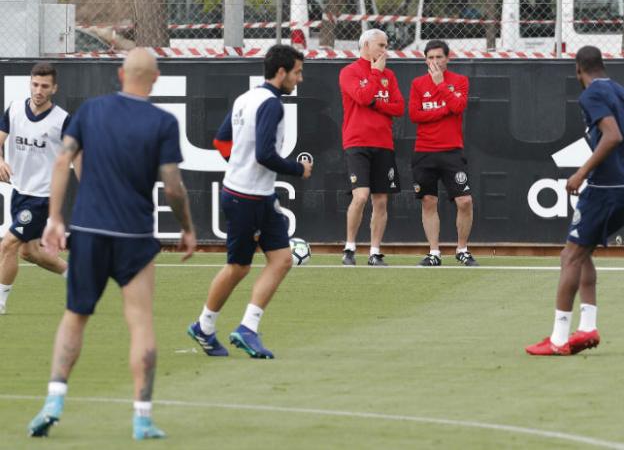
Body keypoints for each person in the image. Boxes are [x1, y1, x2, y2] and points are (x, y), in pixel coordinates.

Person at [28, 48, 196, 438]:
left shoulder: (90, 111)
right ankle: (142, 416)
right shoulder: (162, 121)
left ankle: (54, 398)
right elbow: (173, 185)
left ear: (121, 75)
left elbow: (61, 162)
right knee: (139, 322)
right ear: (154, 79)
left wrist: (55, 218)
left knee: (76, 314)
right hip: (135, 236)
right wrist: (187, 227)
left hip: (87, 230)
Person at [526, 46, 624, 356]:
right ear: (602, 66)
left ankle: (558, 339)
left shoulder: (590, 95)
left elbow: (612, 136)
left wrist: (581, 174)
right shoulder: (622, 93)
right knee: (582, 253)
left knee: (569, 256)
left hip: (604, 187)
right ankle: (587, 327)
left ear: (578, 70)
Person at [187, 45, 312, 359]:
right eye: (297, 72)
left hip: (256, 196)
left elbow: (220, 140)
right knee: (237, 268)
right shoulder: (271, 104)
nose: (300, 78)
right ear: (281, 72)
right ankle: (204, 326)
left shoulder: (246, 98)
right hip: (247, 198)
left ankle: (247, 328)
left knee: (281, 260)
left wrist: (237, 163)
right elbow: (265, 155)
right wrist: (299, 169)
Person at [0, 62, 70, 315]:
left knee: (7, 244)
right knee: (28, 252)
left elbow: (74, 157)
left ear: (54, 88)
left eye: (45, 86)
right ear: (30, 83)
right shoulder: (15, 110)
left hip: (43, 197)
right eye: (35, 84)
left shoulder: (61, 120)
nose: (39, 90)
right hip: (20, 192)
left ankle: (0, 302)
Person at [408, 40, 478, 267]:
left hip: (451, 151)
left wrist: (440, 86)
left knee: (464, 201)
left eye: (439, 57)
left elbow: (458, 107)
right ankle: (434, 252)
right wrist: (442, 109)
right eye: (431, 58)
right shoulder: (418, 83)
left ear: (448, 58)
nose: (435, 62)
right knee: (428, 201)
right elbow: (415, 115)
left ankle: (462, 249)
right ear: (425, 59)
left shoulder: (460, 81)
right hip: (424, 151)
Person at [338, 28, 404, 267]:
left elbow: (398, 108)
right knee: (361, 196)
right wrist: (375, 75)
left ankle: (375, 251)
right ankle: (350, 247)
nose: (385, 50)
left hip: (383, 143)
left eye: (386, 46)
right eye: (381, 46)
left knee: (381, 200)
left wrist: (377, 103)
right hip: (357, 142)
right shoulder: (349, 72)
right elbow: (363, 97)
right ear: (366, 46)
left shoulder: (390, 75)